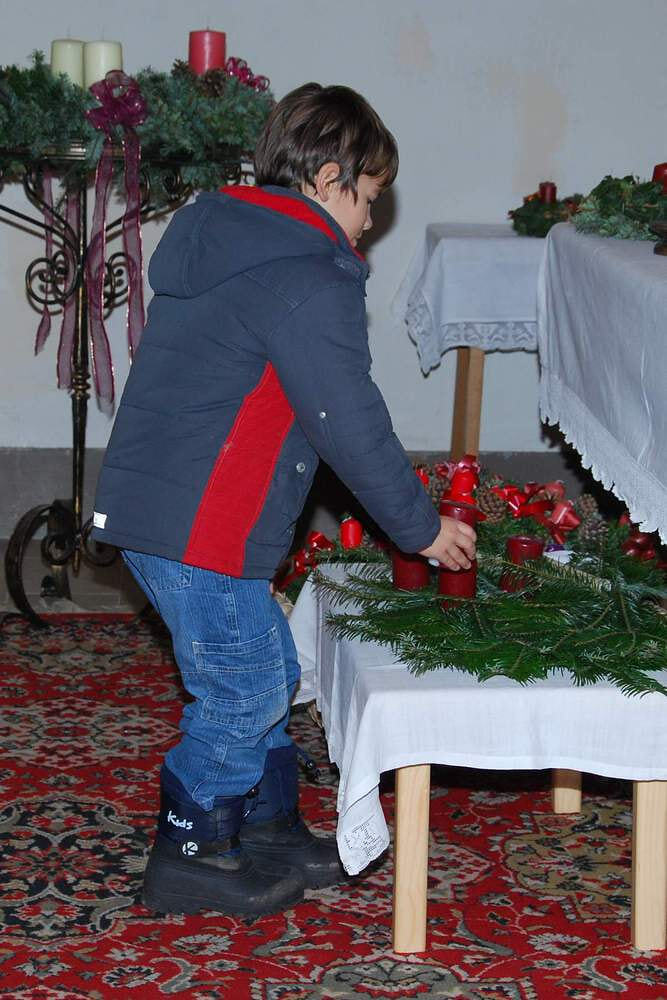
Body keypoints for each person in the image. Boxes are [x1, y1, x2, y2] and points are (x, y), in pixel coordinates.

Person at [92, 82, 476, 918]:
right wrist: (419, 527)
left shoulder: (235, 242)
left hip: (165, 506)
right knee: (245, 688)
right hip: (199, 521)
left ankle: (263, 826)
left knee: (265, 666)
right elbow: (347, 420)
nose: (369, 220)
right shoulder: (306, 273)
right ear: (329, 179)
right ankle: (191, 849)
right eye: (368, 198)